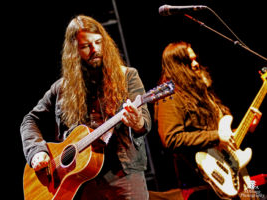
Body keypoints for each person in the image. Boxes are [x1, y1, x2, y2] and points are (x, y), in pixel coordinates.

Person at [20, 15, 151, 200]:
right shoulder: (61, 88)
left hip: (124, 176)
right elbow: (30, 120)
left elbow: (144, 122)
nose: (95, 50)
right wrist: (36, 152)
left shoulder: (128, 76)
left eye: (98, 42)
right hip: (80, 182)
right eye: (85, 46)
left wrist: (137, 122)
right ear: (74, 51)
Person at [154, 41, 256, 199]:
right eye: (189, 61)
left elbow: (221, 137)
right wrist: (215, 137)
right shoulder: (170, 97)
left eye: (195, 59)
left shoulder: (202, 93)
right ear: (177, 66)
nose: (195, 64)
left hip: (229, 171)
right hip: (202, 183)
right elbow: (171, 139)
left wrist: (245, 128)